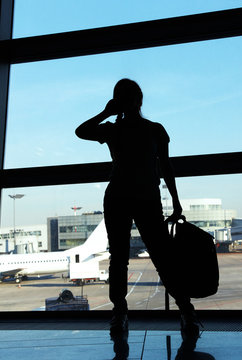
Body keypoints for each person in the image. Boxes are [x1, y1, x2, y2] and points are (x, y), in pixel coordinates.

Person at [75, 78, 198, 338]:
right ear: (140, 100)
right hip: (145, 197)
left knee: (120, 258)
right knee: (160, 256)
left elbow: (82, 131)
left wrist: (106, 113)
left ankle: (120, 313)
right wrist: (175, 200)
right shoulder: (153, 130)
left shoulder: (114, 130)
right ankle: (186, 311)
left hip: (120, 196)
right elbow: (166, 168)